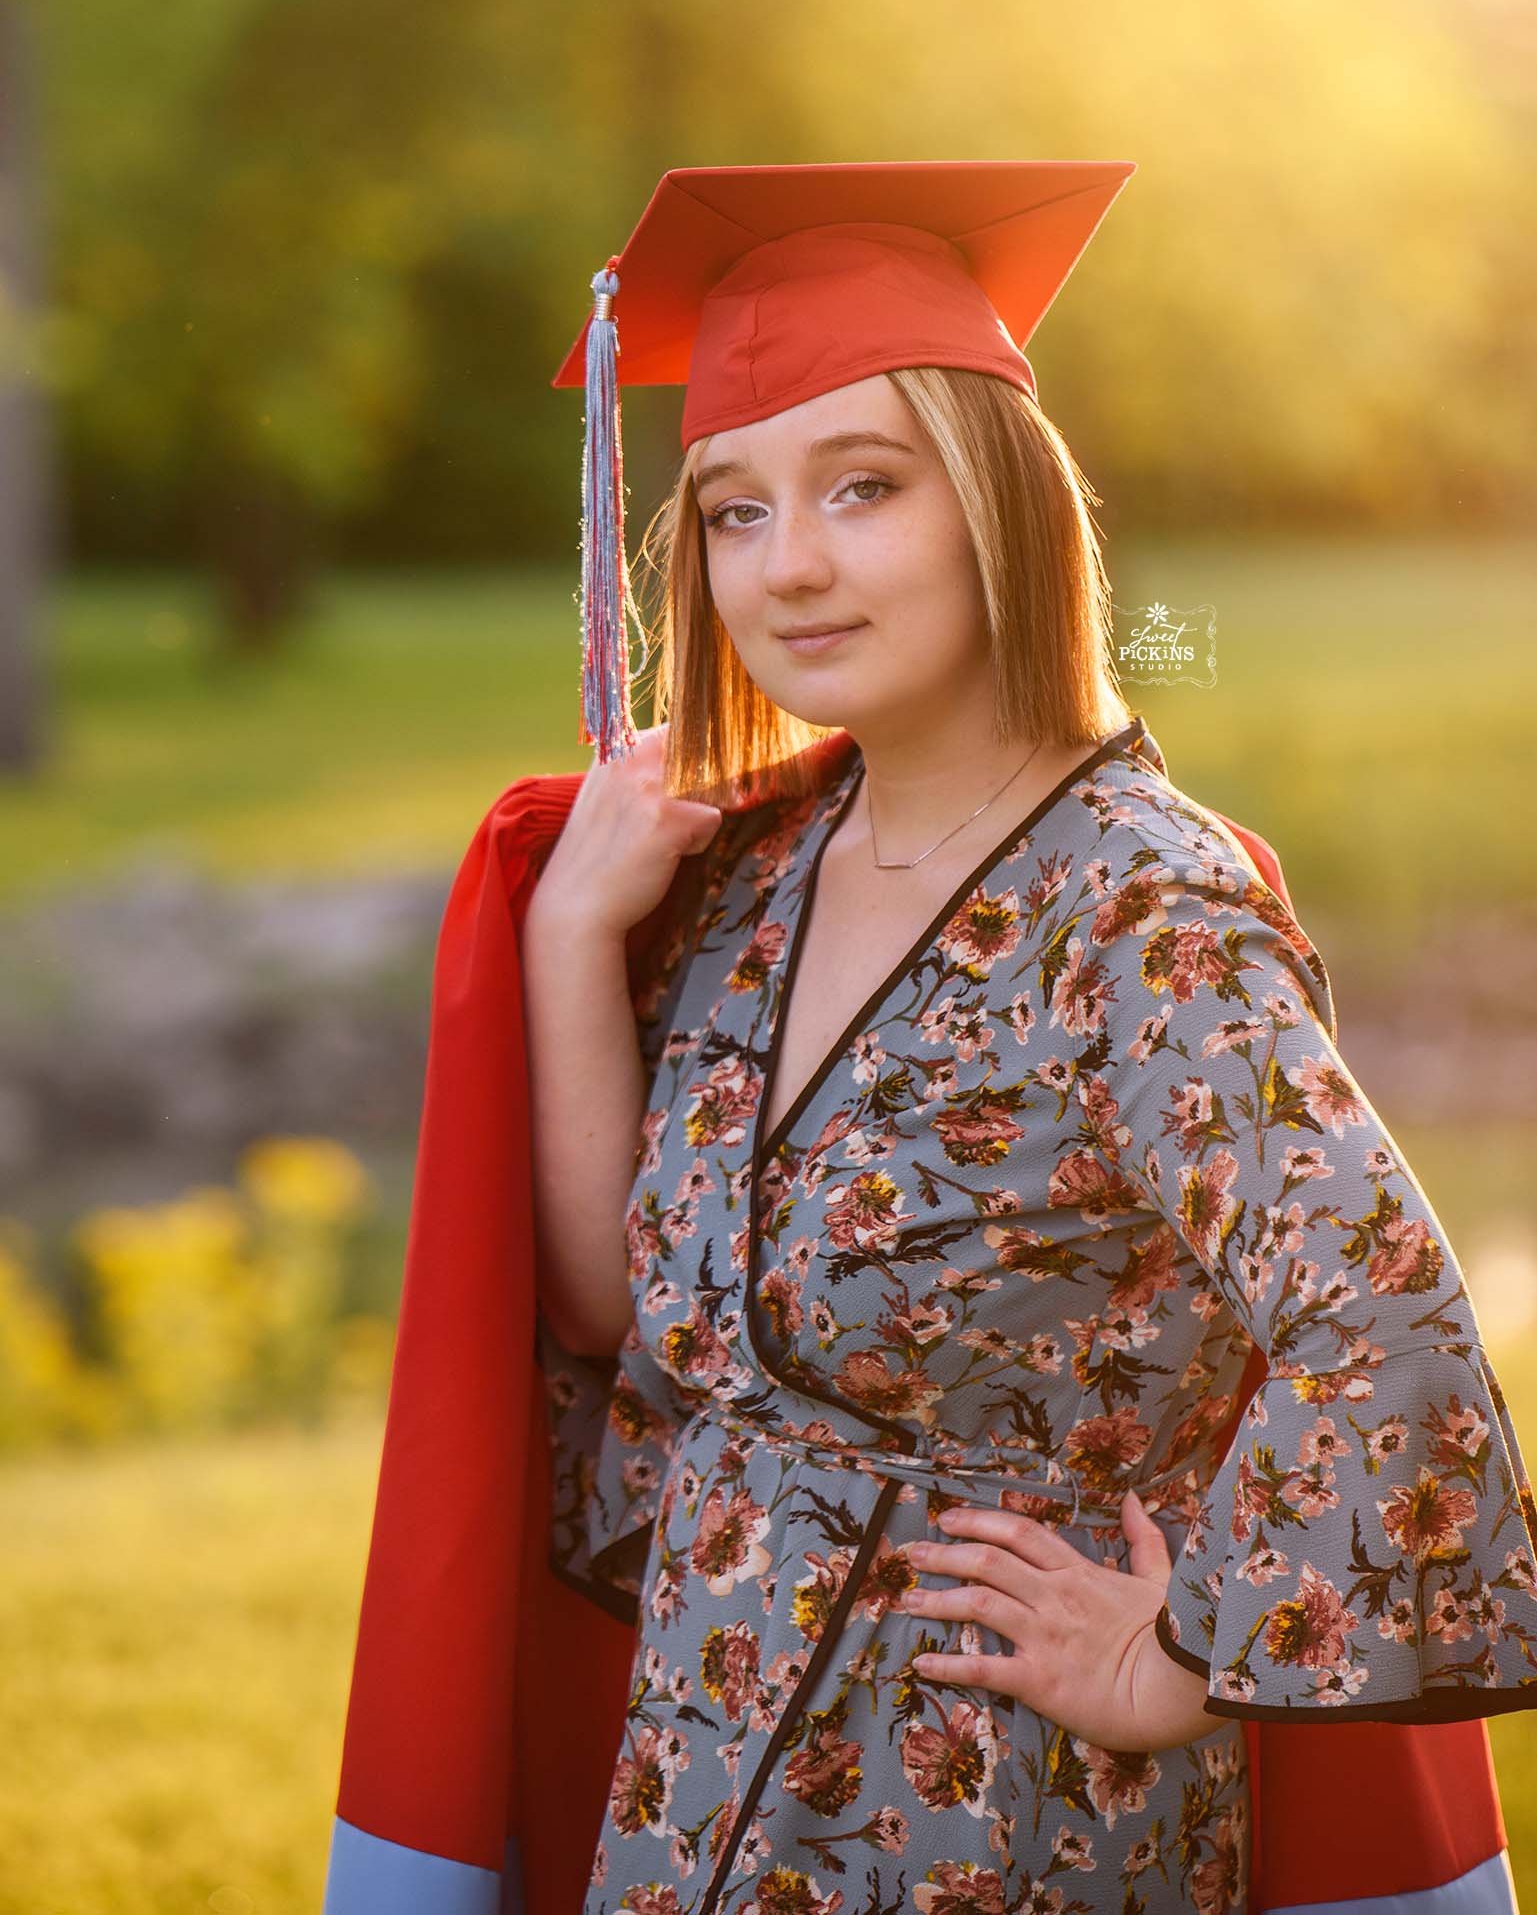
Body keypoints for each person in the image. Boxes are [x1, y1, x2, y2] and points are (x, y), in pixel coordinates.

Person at [322, 163, 1537, 1915]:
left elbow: (1379, 1316)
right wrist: (577, 934)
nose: (788, 564)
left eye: (863, 488)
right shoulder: (752, 880)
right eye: (732, 512)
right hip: (697, 1771)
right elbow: (624, 1314)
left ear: (1002, 510)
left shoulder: (1133, 912)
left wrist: (1176, 1653)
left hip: (985, 1809)